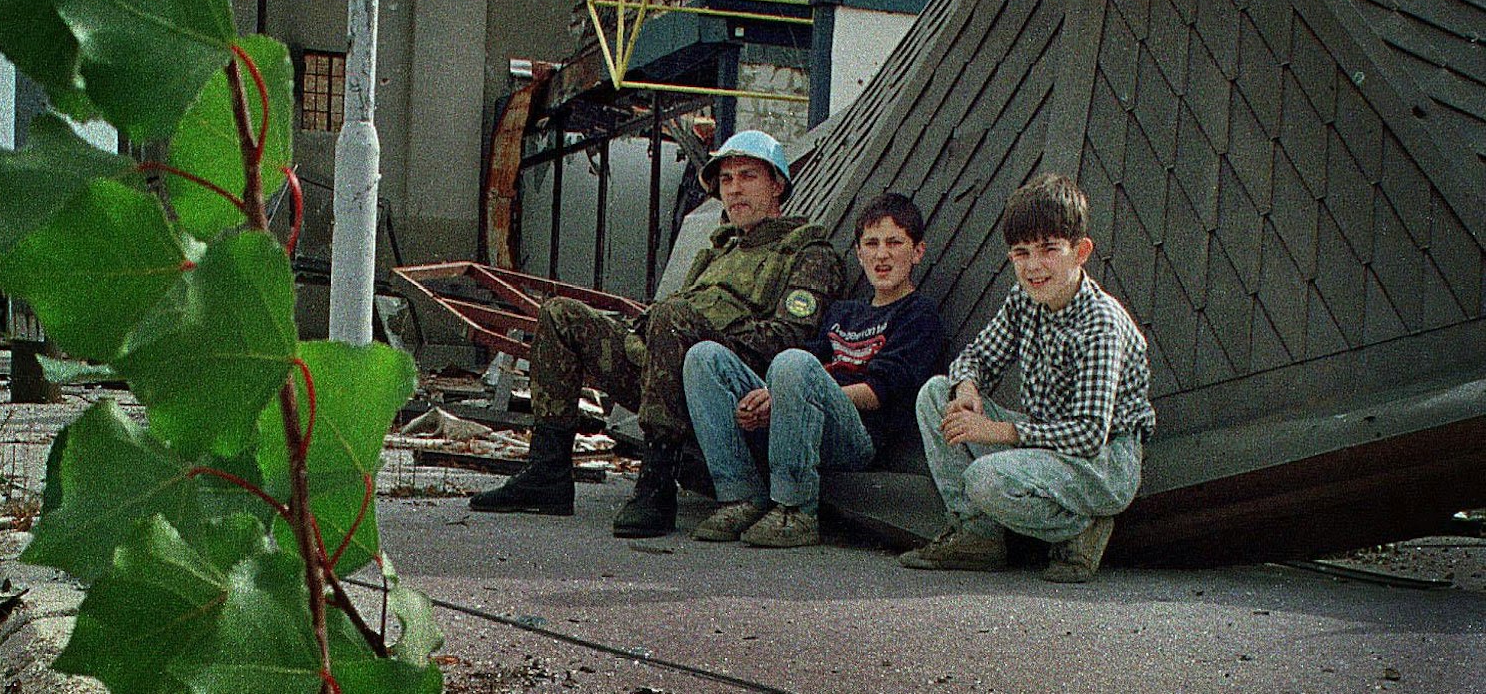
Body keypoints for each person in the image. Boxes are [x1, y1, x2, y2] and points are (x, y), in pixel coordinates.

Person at [468, 130, 846, 539]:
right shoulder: (718, 253)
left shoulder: (807, 252)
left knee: (673, 315)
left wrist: (696, 325)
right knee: (561, 314)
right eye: (727, 179)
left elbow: (787, 340)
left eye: (748, 177)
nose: (734, 189)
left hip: (733, 387)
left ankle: (657, 483)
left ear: (777, 184)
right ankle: (547, 472)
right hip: (671, 373)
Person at [899, 173, 1154, 583]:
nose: (1034, 266)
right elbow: (976, 356)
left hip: (1101, 462)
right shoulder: (1025, 299)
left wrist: (997, 431)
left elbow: (1089, 433)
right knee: (934, 394)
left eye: (1049, 249)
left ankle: (1080, 529)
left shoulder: (1101, 324)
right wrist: (967, 389)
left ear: (1081, 251)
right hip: (1044, 444)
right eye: (1021, 252)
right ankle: (976, 534)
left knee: (986, 479)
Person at [683, 192, 944, 548]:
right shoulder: (843, 313)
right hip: (800, 418)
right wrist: (768, 399)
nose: (882, 254)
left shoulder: (919, 315)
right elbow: (808, 361)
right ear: (859, 253)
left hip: (855, 436)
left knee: (793, 363)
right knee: (704, 357)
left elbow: (877, 393)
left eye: (894, 242)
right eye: (871, 243)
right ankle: (740, 497)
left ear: (917, 252)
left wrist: (792, 397)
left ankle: (795, 509)